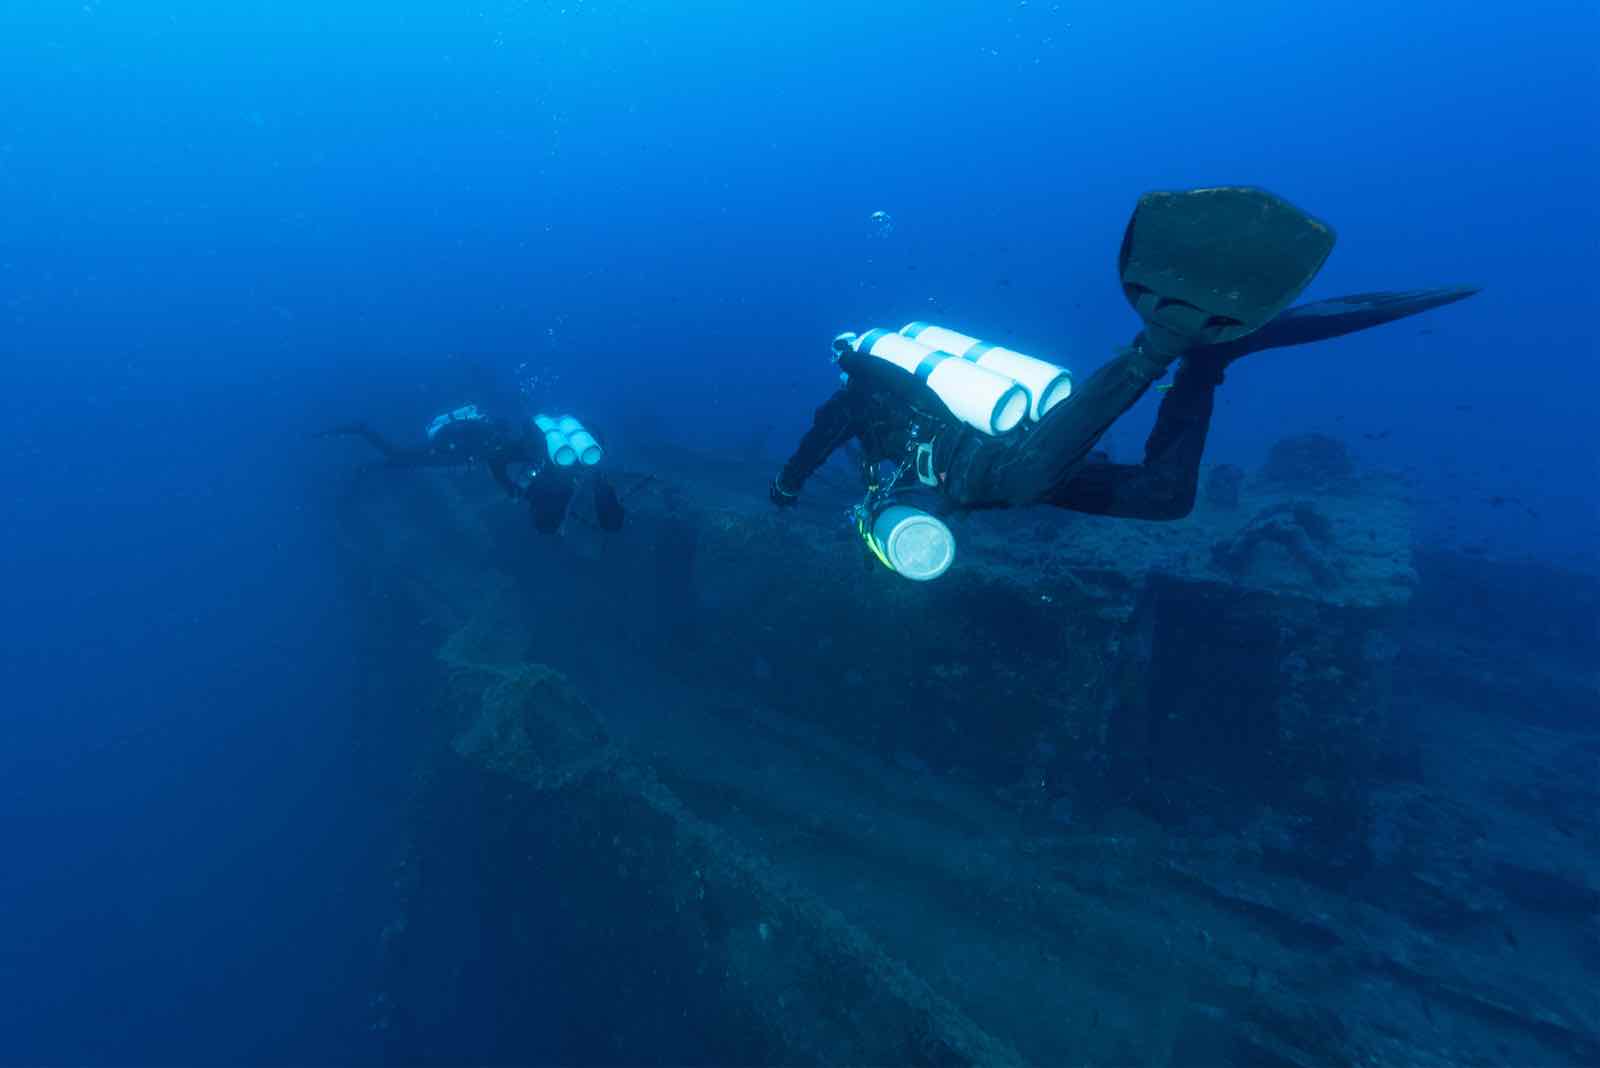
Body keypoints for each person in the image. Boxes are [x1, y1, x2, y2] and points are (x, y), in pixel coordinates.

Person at [770, 186, 1477, 546]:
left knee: (1022, 482)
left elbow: (816, 441)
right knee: (1164, 498)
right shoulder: (891, 379)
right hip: (1020, 440)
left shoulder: (859, 392)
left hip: (988, 464)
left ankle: (1161, 345)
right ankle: (1208, 362)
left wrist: (786, 487)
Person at [321, 405, 625, 534]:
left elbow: (498, 462)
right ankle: (363, 435)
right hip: (451, 452)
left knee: (400, 458)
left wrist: (511, 489)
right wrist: (514, 488)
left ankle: (366, 448)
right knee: (399, 458)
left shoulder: (518, 447)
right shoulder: (542, 450)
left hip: (458, 453)